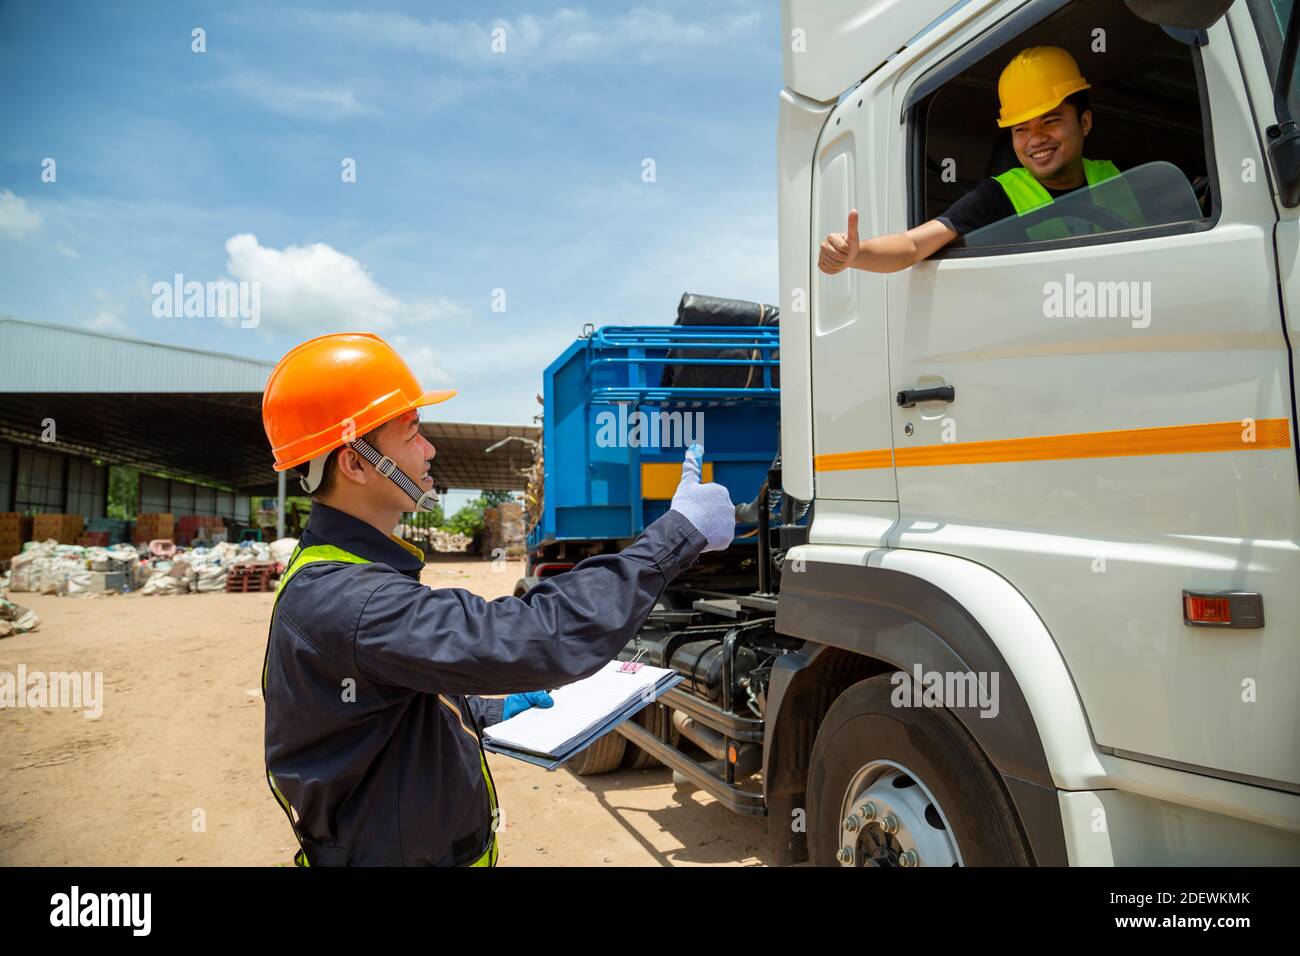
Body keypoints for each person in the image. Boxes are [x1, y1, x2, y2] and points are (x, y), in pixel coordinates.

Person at [259, 332, 736, 866]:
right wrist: (678, 533)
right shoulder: (351, 599)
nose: (430, 448)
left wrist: (480, 707)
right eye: (413, 433)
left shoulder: (344, 573)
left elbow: (381, 701)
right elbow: (535, 635)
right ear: (355, 464)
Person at [819, 45, 1142, 275]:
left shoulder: (1128, 177)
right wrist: (856, 254)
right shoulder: (997, 196)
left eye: (1051, 120)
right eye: (1021, 128)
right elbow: (912, 246)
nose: (1035, 138)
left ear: (1084, 123)